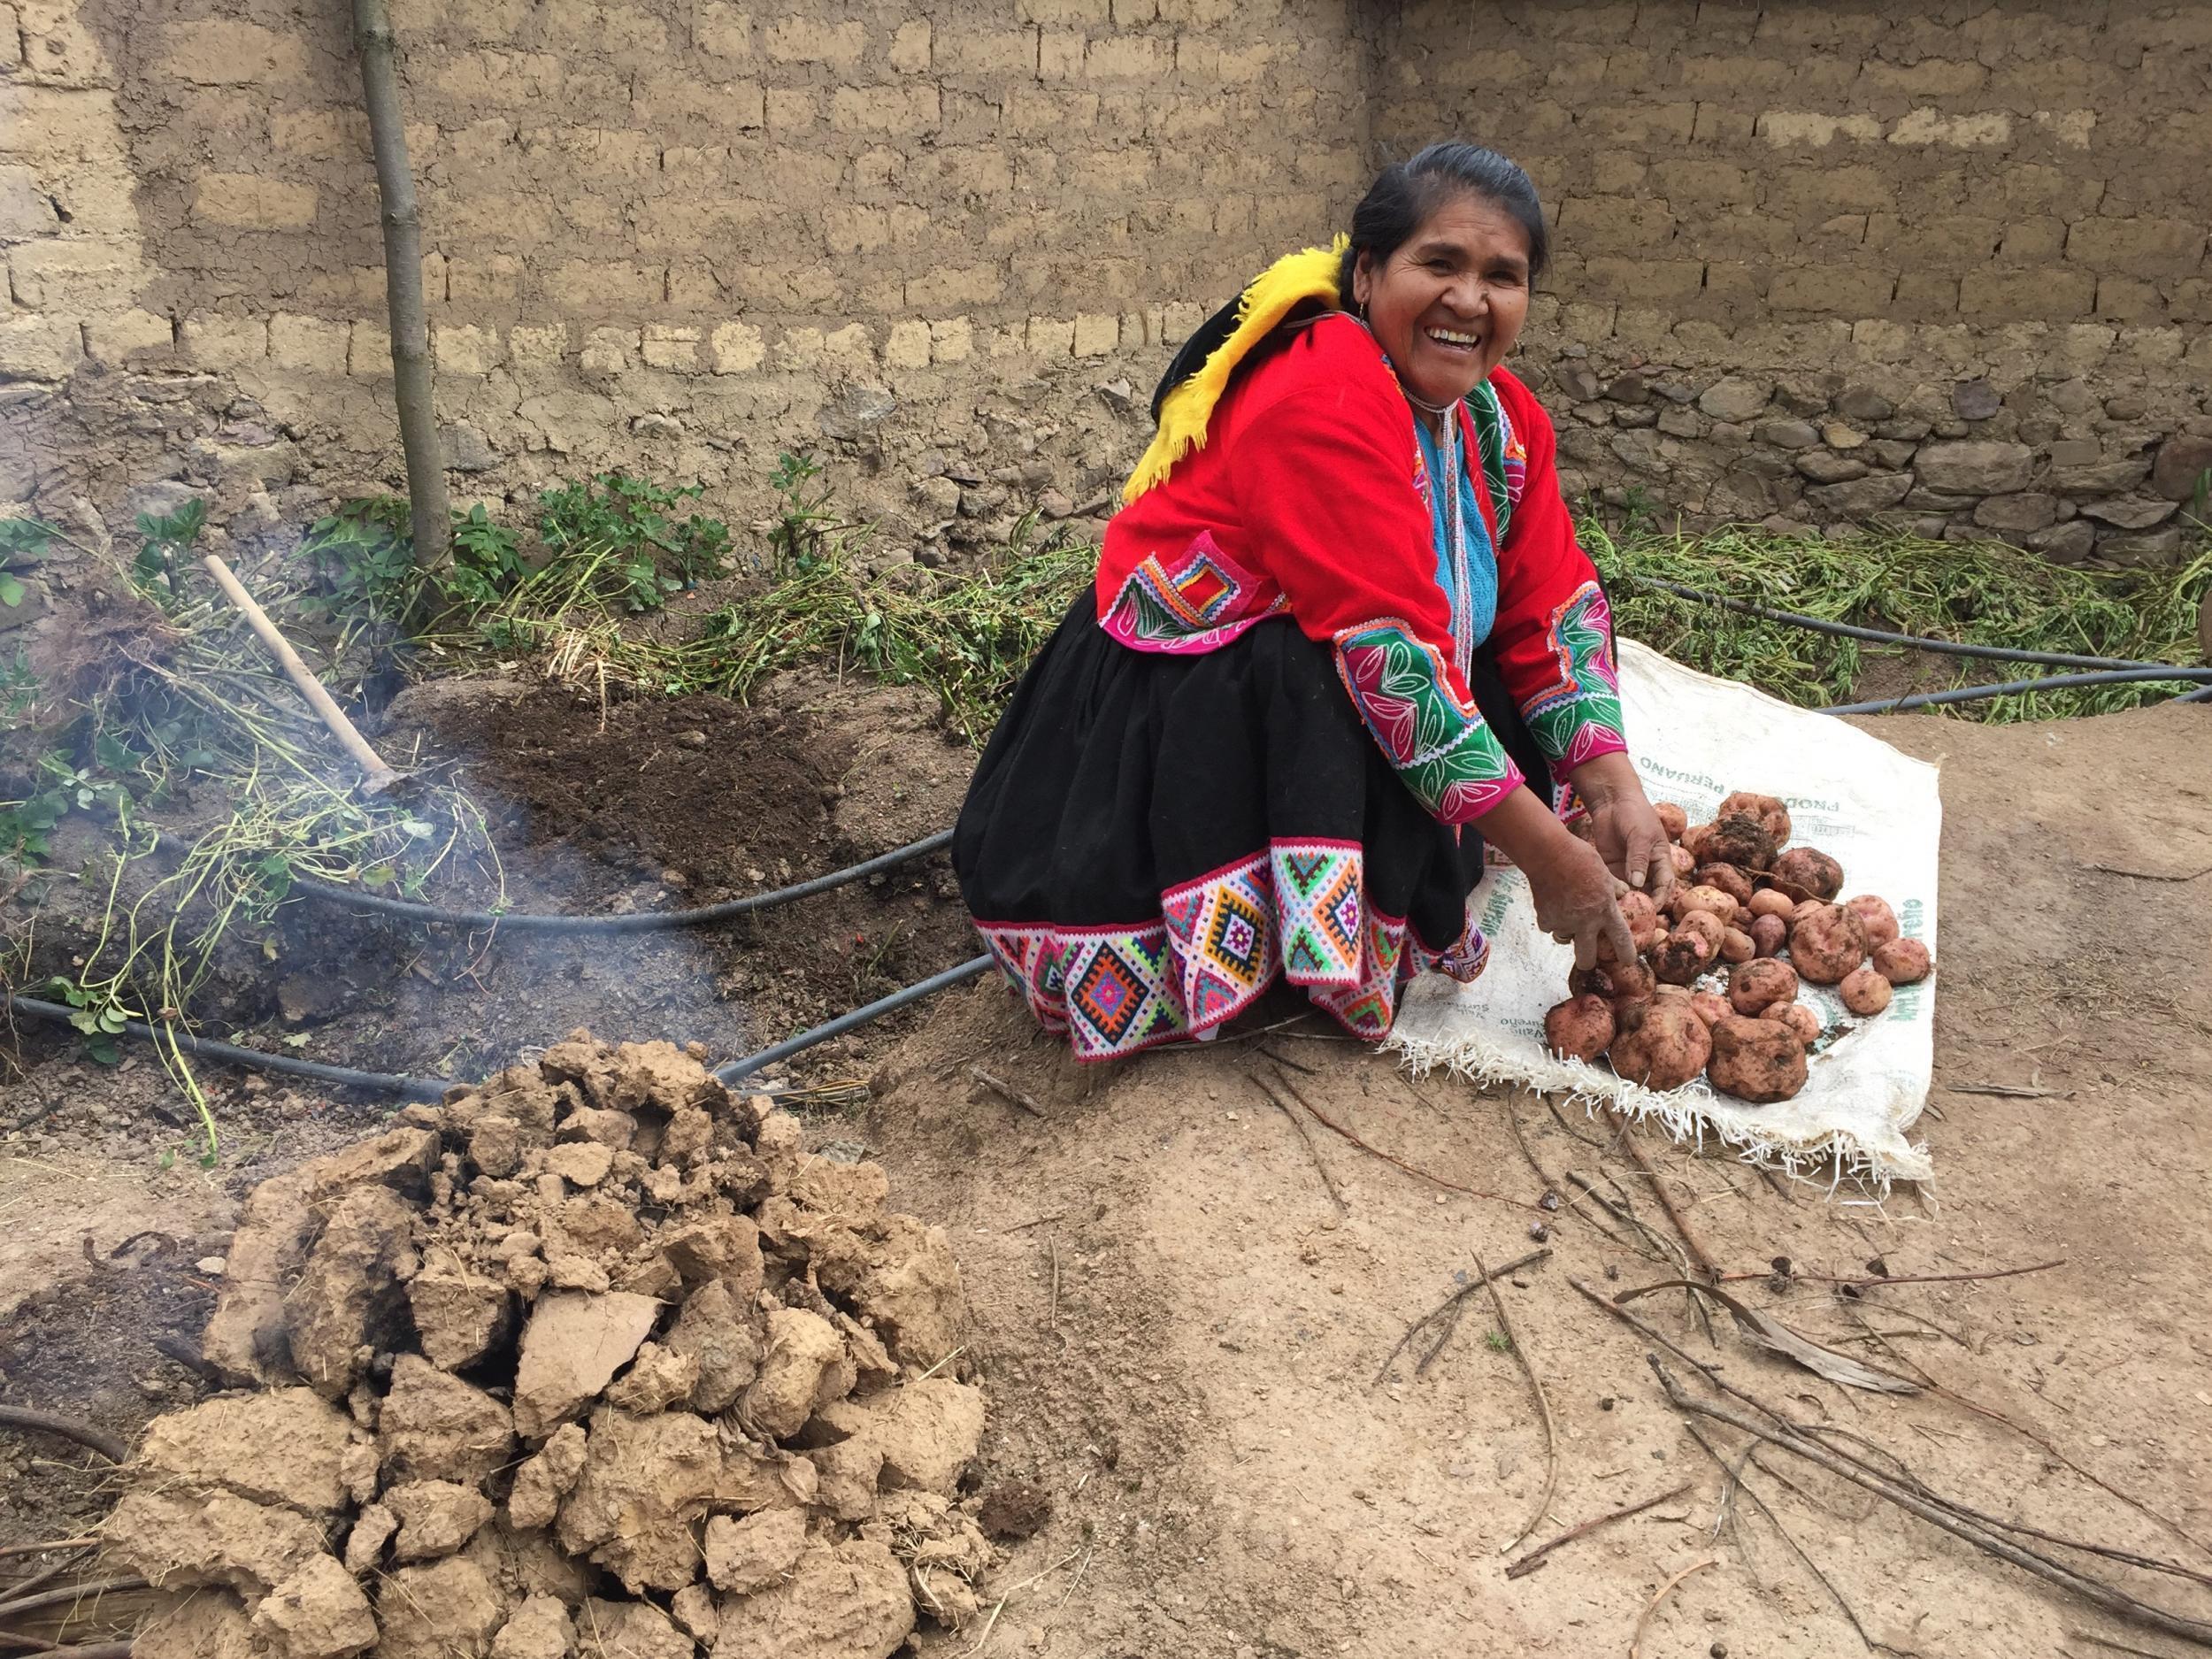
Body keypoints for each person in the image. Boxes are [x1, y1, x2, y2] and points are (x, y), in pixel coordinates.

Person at [954, 142, 1672, 1061]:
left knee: (1480, 641)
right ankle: (1265, 942)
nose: (1469, 301)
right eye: (1439, 264)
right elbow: (1390, 658)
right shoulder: (1319, 389)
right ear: (1367, 274)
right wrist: (1551, 856)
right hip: (1188, 701)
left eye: (1503, 276)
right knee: (1336, 672)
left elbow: (1551, 596)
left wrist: (1612, 786)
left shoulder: (1502, 418)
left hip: (1341, 659)